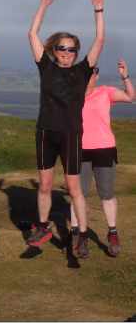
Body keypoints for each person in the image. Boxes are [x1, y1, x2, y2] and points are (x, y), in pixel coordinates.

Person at [27, 0, 105, 258]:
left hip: (71, 135)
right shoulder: (45, 67)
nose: (66, 53)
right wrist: (44, 6)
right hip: (46, 133)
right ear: (54, 49)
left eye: (71, 49)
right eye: (61, 48)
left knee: (74, 189)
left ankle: (82, 234)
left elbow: (100, 41)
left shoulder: (83, 71)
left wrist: (98, 10)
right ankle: (43, 226)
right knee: (45, 184)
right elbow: (32, 34)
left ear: (76, 52)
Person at [70, 60, 134, 257]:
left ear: (96, 76)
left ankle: (112, 232)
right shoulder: (73, 96)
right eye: (87, 72)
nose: (90, 76)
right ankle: (77, 235)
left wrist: (125, 76)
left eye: (93, 72)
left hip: (105, 149)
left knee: (106, 193)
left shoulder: (105, 92)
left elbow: (131, 97)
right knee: (78, 194)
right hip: (80, 150)